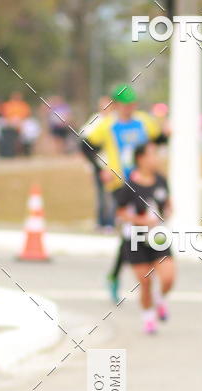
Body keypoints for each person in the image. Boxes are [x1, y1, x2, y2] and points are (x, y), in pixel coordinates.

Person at [79, 84, 166, 298]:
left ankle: (120, 275)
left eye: (132, 104)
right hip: (121, 184)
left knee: (133, 231)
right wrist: (101, 169)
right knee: (134, 227)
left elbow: (159, 139)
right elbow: (85, 146)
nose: (129, 108)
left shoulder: (144, 121)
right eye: (125, 105)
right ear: (116, 105)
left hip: (144, 182)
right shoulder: (107, 125)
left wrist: (165, 135)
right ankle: (132, 276)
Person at [114, 142, 175, 334]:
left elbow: (166, 204)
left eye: (156, 155)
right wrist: (139, 220)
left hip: (157, 237)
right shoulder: (129, 185)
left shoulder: (161, 180)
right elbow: (121, 213)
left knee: (168, 277)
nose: (155, 159)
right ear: (140, 158)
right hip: (135, 239)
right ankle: (148, 318)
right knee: (145, 281)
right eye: (151, 155)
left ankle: (160, 298)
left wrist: (168, 211)